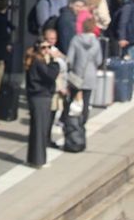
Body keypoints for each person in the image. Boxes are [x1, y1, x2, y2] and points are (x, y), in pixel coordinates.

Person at [23, 39, 61, 167]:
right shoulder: (38, 62)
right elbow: (50, 75)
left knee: (36, 129)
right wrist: (55, 61)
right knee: (40, 130)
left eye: (49, 47)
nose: (47, 50)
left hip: (36, 97)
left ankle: (33, 158)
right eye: (44, 48)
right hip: (41, 97)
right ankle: (39, 160)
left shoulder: (35, 60)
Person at [64, 18, 102, 123]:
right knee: (86, 100)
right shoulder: (96, 42)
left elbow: (70, 59)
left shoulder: (76, 39)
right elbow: (99, 60)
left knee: (70, 97)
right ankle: (83, 122)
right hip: (90, 74)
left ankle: (65, 119)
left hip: (77, 74)